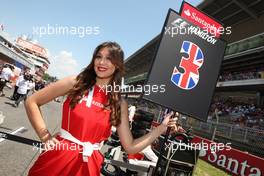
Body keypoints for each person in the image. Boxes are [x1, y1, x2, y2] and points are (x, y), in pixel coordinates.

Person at [25, 42, 177, 176]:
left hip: (90, 164)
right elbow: (32, 101)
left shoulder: (119, 103)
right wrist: (45, 136)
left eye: (109, 58)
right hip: (58, 156)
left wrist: (161, 128)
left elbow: (130, 147)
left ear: (117, 65)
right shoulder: (75, 82)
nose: (102, 62)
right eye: (99, 57)